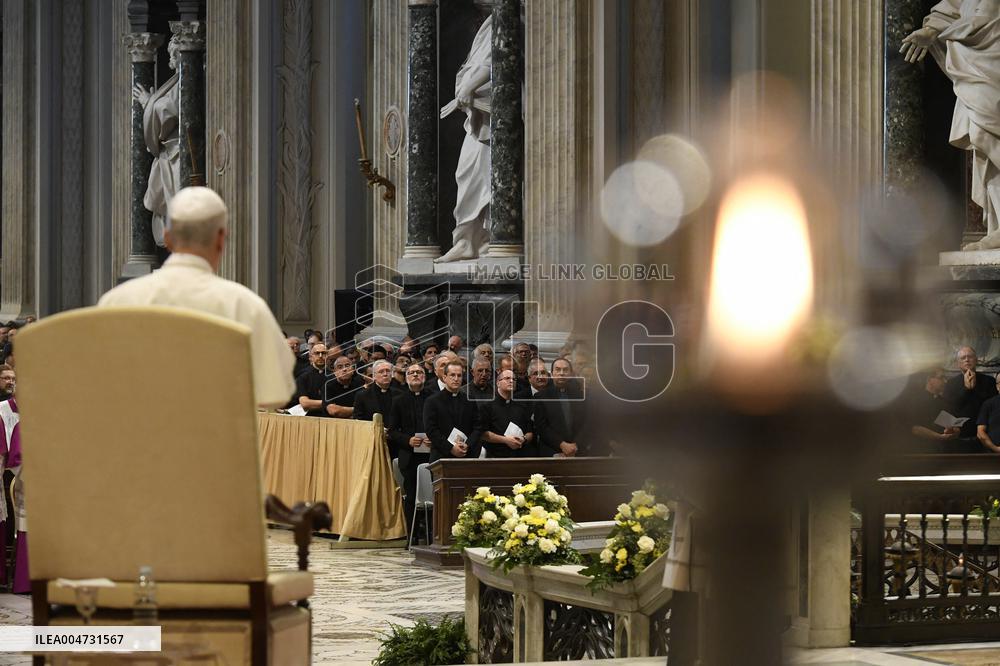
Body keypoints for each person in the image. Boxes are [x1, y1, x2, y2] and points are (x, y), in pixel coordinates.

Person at [98, 187, 294, 408]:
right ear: (221, 239)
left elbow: (98, 385)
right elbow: (274, 394)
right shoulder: (246, 307)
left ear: (167, 238)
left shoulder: (115, 303)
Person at [902, 1, 1000, 250]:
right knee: (981, 143)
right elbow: (952, 7)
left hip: (992, 59)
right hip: (973, 66)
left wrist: (942, 32)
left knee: (984, 135)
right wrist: (931, 29)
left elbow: (984, 19)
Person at [436, 10, 493, 263]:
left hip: (493, 122)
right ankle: (465, 241)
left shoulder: (509, 17)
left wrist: (468, 88)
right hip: (478, 119)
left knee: (486, 179)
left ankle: (488, 241)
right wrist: (464, 92)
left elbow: (496, 61)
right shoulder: (490, 23)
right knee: (466, 174)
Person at [134, 37, 181, 248]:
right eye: (172, 53)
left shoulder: (187, 81)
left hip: (178, 154)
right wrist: (153, 104)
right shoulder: (177, 81)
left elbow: (168, 112)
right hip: (170, 155)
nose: (172, 58)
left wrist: (149, 103)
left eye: (175, 53)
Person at [387, 363, 433, 531]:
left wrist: (434, 439)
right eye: (411, 373)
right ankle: (411, 535)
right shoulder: (399, 400)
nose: (415, 375)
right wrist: (408, 440)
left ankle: (433, 533)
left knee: (433, 495)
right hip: (409, 456)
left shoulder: (433, 398)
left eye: (419, 372)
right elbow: (392, 431)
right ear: (406, 378)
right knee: (412, 496)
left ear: (424, 377)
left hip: (432, 455)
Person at [424, 361, 480, 462]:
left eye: (459, 375)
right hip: (441, 456)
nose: (456, 379)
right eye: (452, 375)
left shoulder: (469, 400)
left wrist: (467, 444)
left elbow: (477, 427)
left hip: (466, 454)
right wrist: (450, 448)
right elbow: (431, 430)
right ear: (444, 377)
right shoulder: (432, 401)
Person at [535, 357, 588, 457]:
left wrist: (576, 445)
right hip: (552, 451)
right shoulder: (541, 396)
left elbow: (586, 422)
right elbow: (541, 427)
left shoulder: (580, 395)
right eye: (558, 369)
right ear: (552, 374)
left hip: (578, 450)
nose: (561, 373)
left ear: (571, 374)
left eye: (565, 370)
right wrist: (562, 445)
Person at [478, 370, 536, 458]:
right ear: (498, 383)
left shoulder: (522, 406)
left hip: (519, 455)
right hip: (495, 456)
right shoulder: (487, 406)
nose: (511, 381)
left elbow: (530, 433)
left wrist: (523, 439)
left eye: (514, 379)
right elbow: (483, 433)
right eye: (507, 378)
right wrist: (505, 440)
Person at [943, 346, 998, 439]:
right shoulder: (950, 383)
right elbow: (948, 408)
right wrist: (966, 389)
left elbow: (993, 406)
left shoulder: (989, 381)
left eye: (970, 356)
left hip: (986, 430)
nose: (967, 360)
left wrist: (974, 389)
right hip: (959, 433)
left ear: (976, 360)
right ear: (958, 363)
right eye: (963, 358)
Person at [291, 343, 330, 416]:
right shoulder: (302, 375)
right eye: (317, 353)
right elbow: (305, 403)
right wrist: (330, 403)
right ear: (311, 356)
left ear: (328, 356)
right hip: (308, 417)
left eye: (323, 353)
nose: (320, 356)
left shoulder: (333, 375)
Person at [353, 360, 396, 425]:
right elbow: (358, 421)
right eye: (381, 372)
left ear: (392, 375)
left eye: (388, 371)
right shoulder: (362, 396)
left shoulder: (399, 394)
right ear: (374, 376)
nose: (385, 374)